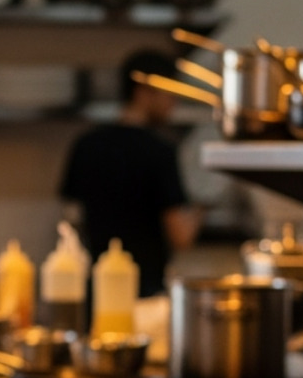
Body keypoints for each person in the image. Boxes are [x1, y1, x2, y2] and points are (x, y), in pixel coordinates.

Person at [59, 49, 201, 296]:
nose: (173, 103)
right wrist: (203, 209)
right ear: (144, 92)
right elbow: (181, 237)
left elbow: (72, 221)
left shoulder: (86, 145)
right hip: (144, 293)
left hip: (95, 291)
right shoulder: (159, 152)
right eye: (170, 94)